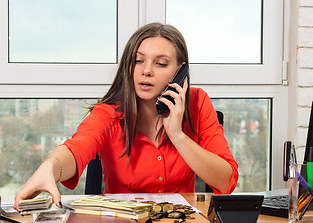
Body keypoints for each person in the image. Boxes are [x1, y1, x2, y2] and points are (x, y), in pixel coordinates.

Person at [14, 22, 238, 210]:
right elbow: (77, 147)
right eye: (138, 60)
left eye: (160, 63)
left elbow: (226, 181)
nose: (146, 70)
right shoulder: (109, 112)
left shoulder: (197, 102)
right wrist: (50, 167)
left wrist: (178, 135)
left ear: (181, 72)